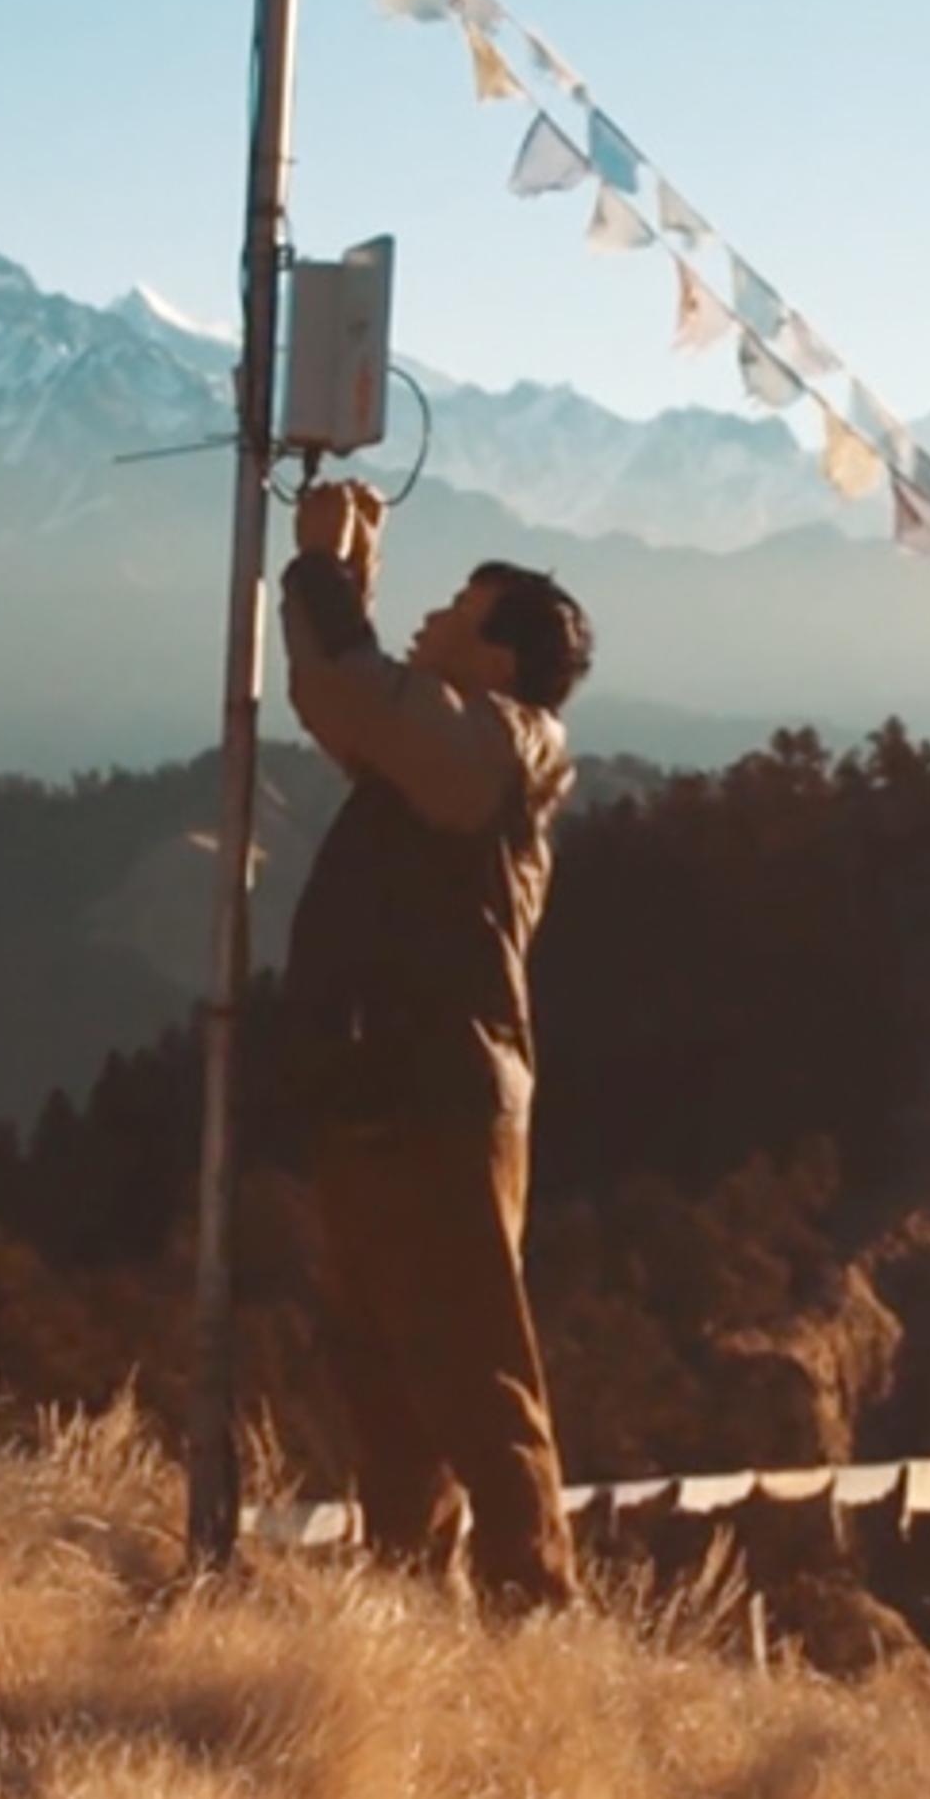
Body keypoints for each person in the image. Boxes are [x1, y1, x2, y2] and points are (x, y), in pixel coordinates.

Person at [274, 476, 592, 1611]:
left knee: (474, 1376)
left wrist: (317, 565)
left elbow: (361, 697)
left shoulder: (495, 747)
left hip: (435, 1104)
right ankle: (415, 1609)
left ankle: (534, 1618)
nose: (435, 615)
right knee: (393, 1383)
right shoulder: (465, 753)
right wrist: (347, 568)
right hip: (392, 1095)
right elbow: (348, 699)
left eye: (461, 607)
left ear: (499, 663)